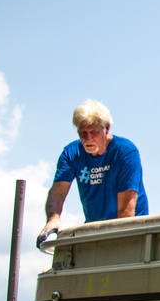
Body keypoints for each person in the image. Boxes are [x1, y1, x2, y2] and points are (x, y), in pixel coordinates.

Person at [37, 99, 149, 247]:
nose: (88, 139)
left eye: (93, 132)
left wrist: (121, 242)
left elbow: (127, 207)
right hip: (95, 228)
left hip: (132, 230)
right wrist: (53, 218)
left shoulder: (125, 152)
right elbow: (58, 191)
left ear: (107, 128)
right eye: (83, 133)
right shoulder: (71, 153)